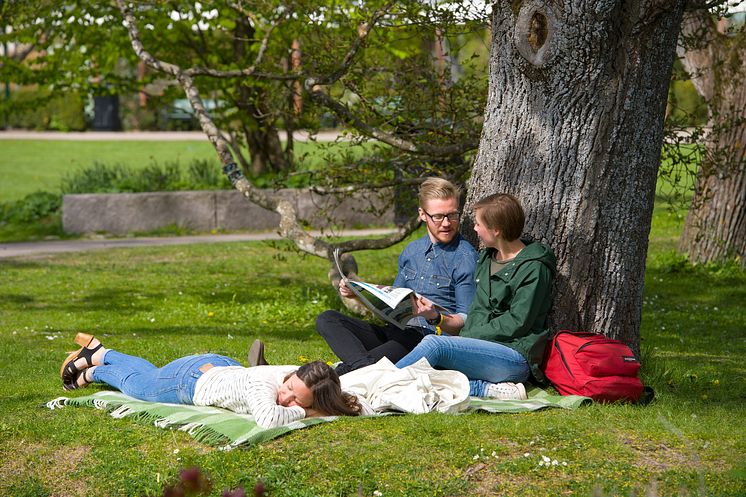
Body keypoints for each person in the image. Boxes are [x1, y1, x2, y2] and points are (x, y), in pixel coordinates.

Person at [308, 177, 478, 375]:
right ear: (422, 214)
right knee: (327, 319)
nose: (447, 223)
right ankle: (360, 368)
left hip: (426, 340)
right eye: (438, 217)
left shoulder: (465, 257)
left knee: (380, 354)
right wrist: (358, 294)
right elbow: (392, 304)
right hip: (395, 332)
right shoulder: (411, 251)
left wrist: (435, 316)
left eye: (453, 215)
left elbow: (464, 324)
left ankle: (338, 372)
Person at [395, 193, 556, 400]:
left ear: (496, 230)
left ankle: (376, 384)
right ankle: (484, 389)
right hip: (482, 348)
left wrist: (467, 337)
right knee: (427, 368)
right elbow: (478, 310)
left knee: (434, 345)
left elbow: (517, 322)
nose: (474, 228)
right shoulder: (487, 259)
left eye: (479, 224)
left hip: (515, 355)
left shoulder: (534, 268)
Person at [60, 333, 365, 429]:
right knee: (140, 386)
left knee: (149, 373)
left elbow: (353, 398)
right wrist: (305, 411)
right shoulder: (266, 384)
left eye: (296, 399)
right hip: (191, 380)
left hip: (221, 367)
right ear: (288, 376)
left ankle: (99, 352)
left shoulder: (300, 376)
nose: (285, 398)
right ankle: (92, 369)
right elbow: (268, 419)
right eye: (289, 390)